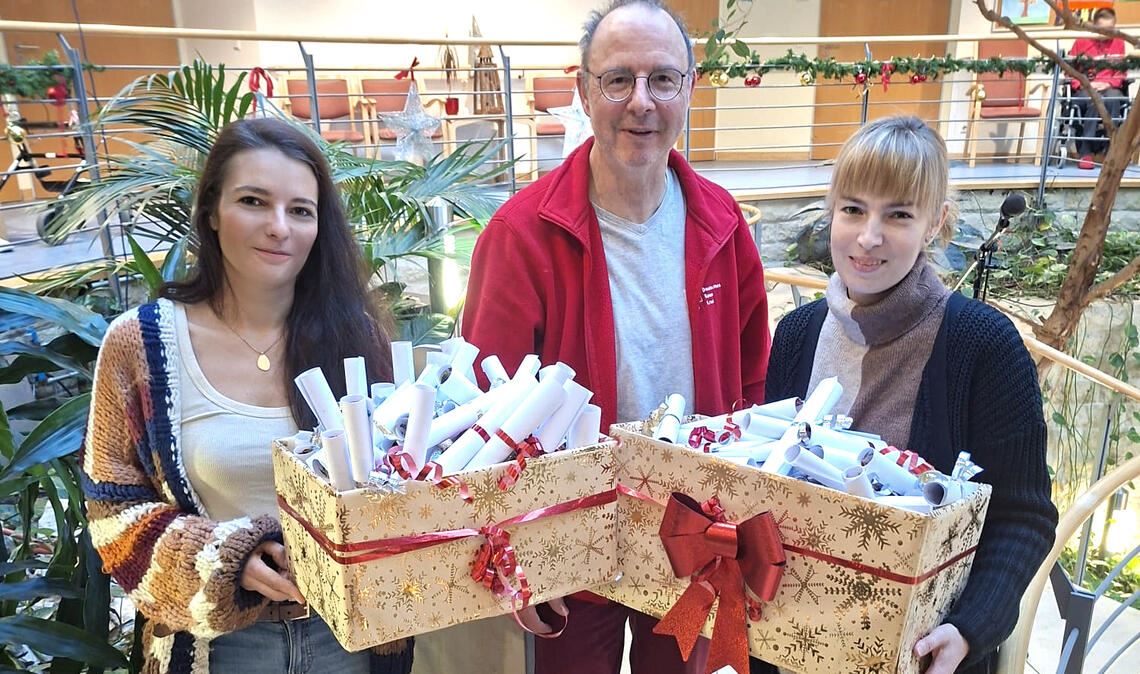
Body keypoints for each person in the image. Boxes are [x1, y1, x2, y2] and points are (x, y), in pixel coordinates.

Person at [462, 1, 771, 673]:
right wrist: (511, 553)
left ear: (690, 87)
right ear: (583, 90)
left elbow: (752, 385)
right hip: (571, 536)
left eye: (663, 79)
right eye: (618, 79)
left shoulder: (722, 223)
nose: (642, 102)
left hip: (692, 532)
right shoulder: (520, 237)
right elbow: (483, 417)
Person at [82, 118, 412, 674]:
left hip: (351, 641)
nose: (279, 227)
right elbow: (111, 508)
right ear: (211, 212)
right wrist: (225, 558)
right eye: (254, 201)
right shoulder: (142, 344)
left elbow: (401, 481)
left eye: (300, 210)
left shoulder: (357, 337)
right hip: (219, 648)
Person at [751, 116, 1058, 674]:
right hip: (791, 642)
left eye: (897, 214)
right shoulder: (797, 337)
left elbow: (1024, 516)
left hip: (917, 653)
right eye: (852, 209)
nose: (868, 238)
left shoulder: (980, 346)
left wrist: (968, 630)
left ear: (936, 222)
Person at [1070, 7, 1126, 169]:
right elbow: (1071, 71)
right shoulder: (1081, 42)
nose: (1107, 34)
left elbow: (1121, 72)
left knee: (1115, 98)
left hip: (1109, 87)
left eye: (1110, 30)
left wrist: (1108, 83)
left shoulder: (1119, 42)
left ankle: (1111, 150)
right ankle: (1086, 151)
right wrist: (1085, 84)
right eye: (1102, 30)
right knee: (1095, 100)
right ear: (1094, 26)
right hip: (1085, 88)